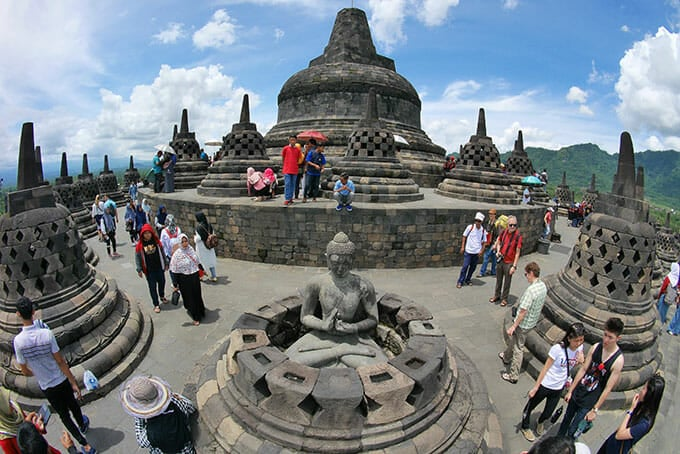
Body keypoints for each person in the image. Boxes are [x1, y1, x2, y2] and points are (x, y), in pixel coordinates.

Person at [285, 232, 388, 368]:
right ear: (327, 259)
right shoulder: (316, 283)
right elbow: (305, 317)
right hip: (322, 337)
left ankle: (340, 351)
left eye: (345, 263)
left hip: (352, 338)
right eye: (335, 263)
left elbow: (373, 319)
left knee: (377, 366)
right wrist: (323, 325)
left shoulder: (362, 285)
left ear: (352, 260)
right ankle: (341, 351)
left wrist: (353, 327)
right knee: (291, 362)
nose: (340, 268)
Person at [13, 298, 96, 454]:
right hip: (60, 379)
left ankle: (84, 444)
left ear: (18, 314)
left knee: (64, 415)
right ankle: (82, 424)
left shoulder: (18, 342)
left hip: (46, 385)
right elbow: (60, 361)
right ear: (33, 312)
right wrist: (73, 382)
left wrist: (37, 373)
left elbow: (24, 370)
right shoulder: (46, 333)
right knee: (73, 405)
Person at [558, 317, 625, 439]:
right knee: (566, 419)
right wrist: (571, 390)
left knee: (574, 429)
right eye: (605, 335)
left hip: (590, 399)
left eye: (610, 337)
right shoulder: (596, 347)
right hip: (579, 391)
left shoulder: (618, 361)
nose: (606, 339)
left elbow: (608, 388)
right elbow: (583, 369)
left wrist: (595, 409)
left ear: (617, 338)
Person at [519, 323, 586, 441]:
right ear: (569, 338)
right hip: (546, 384)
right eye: (576, 340)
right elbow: (545, 368)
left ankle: (540, 421)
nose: (579, 343)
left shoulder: (579, 348)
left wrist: (580, 361)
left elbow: (572, 364)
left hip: (558, 387)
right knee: (531, 406)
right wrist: (536, 387)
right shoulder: (557, 349)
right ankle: (525, 426)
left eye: (581, 340)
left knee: (549, 412)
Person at [119, 375, 196, 454]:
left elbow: (141, 442)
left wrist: (139, 417)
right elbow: (191, 408)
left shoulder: (151, 434)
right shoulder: (177, 401)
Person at [499, 262, 547, 384]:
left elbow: (523, 311)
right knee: (515, 340)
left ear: (531, 273)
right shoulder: (542, 286)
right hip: (532, 322)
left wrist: (513, 326)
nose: (526, 277)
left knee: (519, 347)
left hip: (523, 323)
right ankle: (506, 356)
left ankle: (513, 375)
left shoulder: (531, 291)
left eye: (526, 274)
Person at [597, 374, 665, 454]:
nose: (641, 391)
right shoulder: (641, 406)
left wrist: (631, 410)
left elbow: (619, 435)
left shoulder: (644, 424)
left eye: (644, 389)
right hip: (610, 444)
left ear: (649, 395)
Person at [0, 387, 62, 454]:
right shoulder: (5, 441)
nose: (11, 404)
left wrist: (36, 425)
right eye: (7, 403)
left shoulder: (16, 410)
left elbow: (31, 433)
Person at [170, 234, 207, 326]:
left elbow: (197, 261)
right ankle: (195, 316)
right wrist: (175, 284)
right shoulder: (177, 254)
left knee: (197, 295)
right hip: (184, 279)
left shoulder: (191, 249)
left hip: (194, 276)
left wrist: (201, 269)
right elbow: (174, 269)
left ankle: (200, 311)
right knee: (190, 297)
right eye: (182, 242)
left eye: (186, 241)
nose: (185, 243)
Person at [490, 216, 523, 307]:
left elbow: (517, 253)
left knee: (507, 282)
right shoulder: (504, 232)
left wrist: (514, 266)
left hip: (509, 262)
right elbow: (499, 241)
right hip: (501, 259)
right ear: (507, 225)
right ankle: (496, 295)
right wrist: (498, 251)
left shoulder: (518, 237)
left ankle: (504, 298)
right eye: (511, 225)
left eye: (514, 225)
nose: (512, 227)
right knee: (498, 279)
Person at [135, 224, 169, 314]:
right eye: (145, 233)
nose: (147, 235)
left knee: (162, 282)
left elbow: (162, 253)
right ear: (142, 234)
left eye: (149, 233)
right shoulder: (140, 245)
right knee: (152, 287)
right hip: (149, 271)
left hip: (159, 267)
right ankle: (156, 304)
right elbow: (138, 258)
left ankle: (162, 295)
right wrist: (139, 269)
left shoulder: (157, 242)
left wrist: (166, 263)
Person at [457, 212, 487, 288]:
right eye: (476, 220)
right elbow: (464, 236)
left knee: (473, 267)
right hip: (468, 251)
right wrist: (463, 247)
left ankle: (468, 279)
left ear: (481, 222)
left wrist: (481, 251)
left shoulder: (483, 230)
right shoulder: (470, 227)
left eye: (479, 221)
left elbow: (484, 242)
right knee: (465, 266)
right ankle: (460, 281)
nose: (477, 222)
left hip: (476, 252)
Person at [160, 215, 182, 291]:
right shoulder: (178, 229)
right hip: (178, 252)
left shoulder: (164, 231)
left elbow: (162, 244)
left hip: (169, 254)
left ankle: (175, 283)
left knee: (172, 269)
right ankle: (179, 281)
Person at [194, 212, 217, 282]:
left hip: (202, 247)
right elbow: (212, 233)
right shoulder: (209, 225)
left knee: (200, 262)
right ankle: (214, 276)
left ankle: (201, 276)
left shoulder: (199, 227)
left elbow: (198, 238)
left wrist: (194, 238)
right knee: (211, 262)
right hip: (209, 246)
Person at [656, 261, 679, 327]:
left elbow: (663, 288)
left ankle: (658, 325)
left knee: (659, 312)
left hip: (664, 296)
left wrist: (659, 296)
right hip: (670, 298)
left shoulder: (669, 278)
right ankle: (661, 324)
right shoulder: (676, 279)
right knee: (664, 312)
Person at [478, 208, 499, 277]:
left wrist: (495, 244)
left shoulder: (497, 224)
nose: (490, 215)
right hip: (488, 242)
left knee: (486, 256)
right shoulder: (488, 222)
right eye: (489, 214)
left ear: (495, 215)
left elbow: (498, 235)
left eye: (492, 214)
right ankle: (493, 271)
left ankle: (482, 272)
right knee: (493, 258)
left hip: (493, 243)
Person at [281, 135, 301, 206]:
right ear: (289, 140)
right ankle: (287, 198)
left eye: (294, 140)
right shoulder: (285, 148)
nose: (292, 141)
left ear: (296, 141)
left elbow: (298, 159)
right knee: (287, 184)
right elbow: (283, 158)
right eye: (291, 140)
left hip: (294, 169)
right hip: (287, 169)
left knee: (293, 184)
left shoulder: (298, 150)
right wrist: (285, 166)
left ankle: (290, 198)